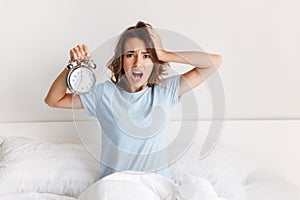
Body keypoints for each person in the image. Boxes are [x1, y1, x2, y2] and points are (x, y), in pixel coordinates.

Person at [45, 21, 222, 180]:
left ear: (154, 62)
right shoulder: (104, 94)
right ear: (121, 61)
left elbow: (214, 62)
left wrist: (165, 54)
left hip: (157, 188)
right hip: (116, 188)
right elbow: (53, 100)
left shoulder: (166, 91)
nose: (138, 62)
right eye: (130, 55)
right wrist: (72, 67)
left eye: (146, 56)